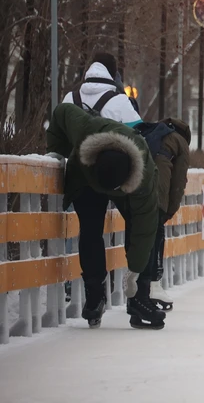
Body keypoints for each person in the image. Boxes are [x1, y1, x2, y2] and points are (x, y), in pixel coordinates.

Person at [45, 103, 165, 330]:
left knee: (139, 224)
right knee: (90, 228)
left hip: (120, 177)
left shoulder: (143, 176)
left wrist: (134, 274)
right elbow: (61, 112)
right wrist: (57, 152)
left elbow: (145, 228)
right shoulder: (85, 129)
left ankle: (139, 298)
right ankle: (95, 292)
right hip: (84, 175)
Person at [146, 118, 191, 311]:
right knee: (156, 236)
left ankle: (138, 287)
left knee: (139, 234)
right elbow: (179, 182)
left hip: (138, 185)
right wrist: (169, 211)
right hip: (158, 191)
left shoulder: (154, 133)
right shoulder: (180, 143)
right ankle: (153, 284)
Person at [63, 52, 141, 126]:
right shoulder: (120, 101)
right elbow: (140, 132)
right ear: (114, 75)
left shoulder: (69, 99)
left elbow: (56, 133)